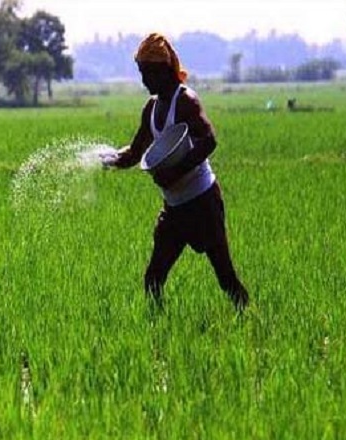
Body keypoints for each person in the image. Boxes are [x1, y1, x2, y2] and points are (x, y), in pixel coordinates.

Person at [103, 33, 249, 310]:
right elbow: (135, 152)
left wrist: (175, 173)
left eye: (146, 73)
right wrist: (110, 159)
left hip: (202, 202)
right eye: (141, 73)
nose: (143, 80)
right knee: (153, 280)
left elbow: (209, 140)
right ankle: (159, 335)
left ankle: (252, 322)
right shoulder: (152, 108)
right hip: (174, 209)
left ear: (161, 70)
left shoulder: (186, 101)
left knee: (226, 279)